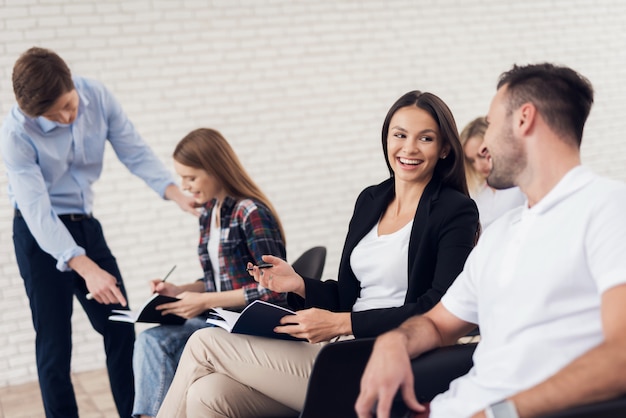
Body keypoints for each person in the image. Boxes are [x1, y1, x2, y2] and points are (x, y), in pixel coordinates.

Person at [156, 90, 480, 418]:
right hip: (335, 349)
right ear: (386, 139)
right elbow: (347, 295)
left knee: (204, 343)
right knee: (207, 393)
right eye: (399, 135)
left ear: (444, 149)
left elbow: (438, 307)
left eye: (425, 138)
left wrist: (343, 324)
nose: (409, 148)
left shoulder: (455, 211)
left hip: (381, 358)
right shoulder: (371, 200)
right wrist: (299, 285)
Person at [355, 63, 626, 418]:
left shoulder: (609, 208)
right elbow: (437, 324)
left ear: (524, 119)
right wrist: (396, 340)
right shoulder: (501, 232)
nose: (484, 143)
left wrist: (498, 413)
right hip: (448, 406)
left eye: (492, 124)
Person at [0, 47, 196, 418]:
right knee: (55, 346)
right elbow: (37, 212)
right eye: (52, 115)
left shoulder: (98, 96)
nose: (66, 117)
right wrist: (86, 267)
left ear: (72, 83)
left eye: (69, 105)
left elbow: (134, 151)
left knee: (120, 327)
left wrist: (176, 195)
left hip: (85, 224)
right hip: (38, 236)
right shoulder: (14, 133)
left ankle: (134, 414)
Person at [132, 128, 288, 418]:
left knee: (167, 347)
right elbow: (216, 279)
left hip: (243, 327)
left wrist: (204, 302)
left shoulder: (250, 212)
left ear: (216, 169)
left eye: (191, 177)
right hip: (215, 319)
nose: (185, 186)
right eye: (181, 178)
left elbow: (275, 289)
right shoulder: (209, 213)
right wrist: (180, 290)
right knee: (149, 341)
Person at [460, 116, 525, 229]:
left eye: (482, 155)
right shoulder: (475, 193)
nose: (479, 166)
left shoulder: (521, 186)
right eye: (472, 160)